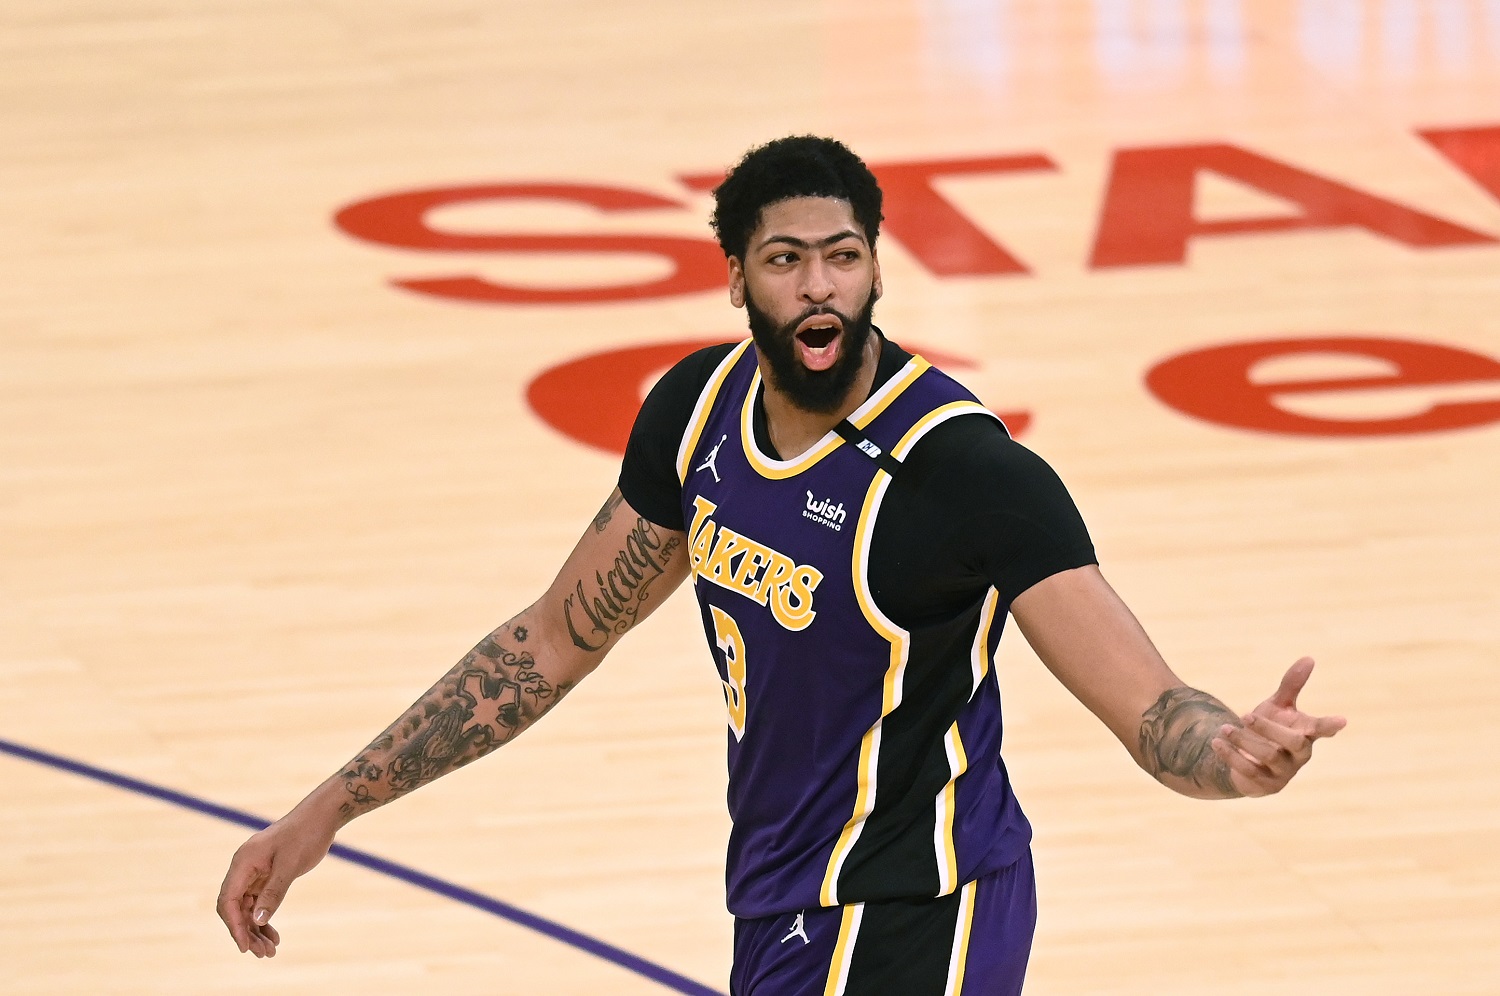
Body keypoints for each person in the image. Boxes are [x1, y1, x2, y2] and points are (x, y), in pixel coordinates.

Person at [217, 136, 1346, 994]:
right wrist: (329, 808)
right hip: (784, 896)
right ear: (738, 278)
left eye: (843, 259)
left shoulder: (962, 474)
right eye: (787, 261)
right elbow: (555, 639)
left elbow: (1151, 707)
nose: (818, 288)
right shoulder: (698, 413)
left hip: (920, 903)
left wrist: (1233, 756)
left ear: (875, 271)